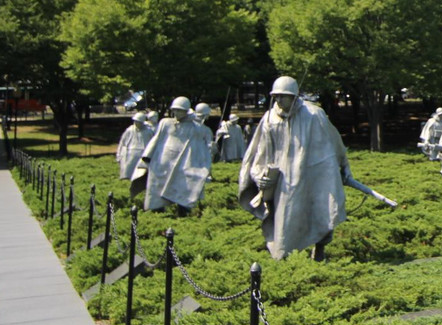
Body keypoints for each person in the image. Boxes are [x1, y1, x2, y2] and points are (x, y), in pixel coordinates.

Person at [238, 76, 396, 260]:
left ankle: (319, 249)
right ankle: (283, 258)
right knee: (284, 220)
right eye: (276, 96)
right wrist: (259, 176)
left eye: (283, 96)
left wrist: (344, 166)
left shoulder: (314, 114)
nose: (278, 100)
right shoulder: (269, 119)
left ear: (294, 96)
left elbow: (333, 142)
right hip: (283, 182)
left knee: (322, 209)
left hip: (313, 175)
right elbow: (260, 152)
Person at [133, 96, 211, 213]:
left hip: (182, 163)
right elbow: (156, 139)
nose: (177, 113)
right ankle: (157, 212)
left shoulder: (195, 128)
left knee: (183, 188)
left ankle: (183, 212)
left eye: (181, 110)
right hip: (162, 162)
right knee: (157, 188)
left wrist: (205, 164)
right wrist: (146, 158)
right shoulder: (165, 123)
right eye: (175, 109)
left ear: (186, 111)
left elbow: (200, 147)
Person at [116, 112, 152, 181]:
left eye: (138, 121)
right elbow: (122, 143)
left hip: (143, 153)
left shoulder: (148, 132)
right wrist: (119, 155)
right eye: (135, 121)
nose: (136, 123)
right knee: (129, 168)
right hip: (130, 153)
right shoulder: (129, 130)